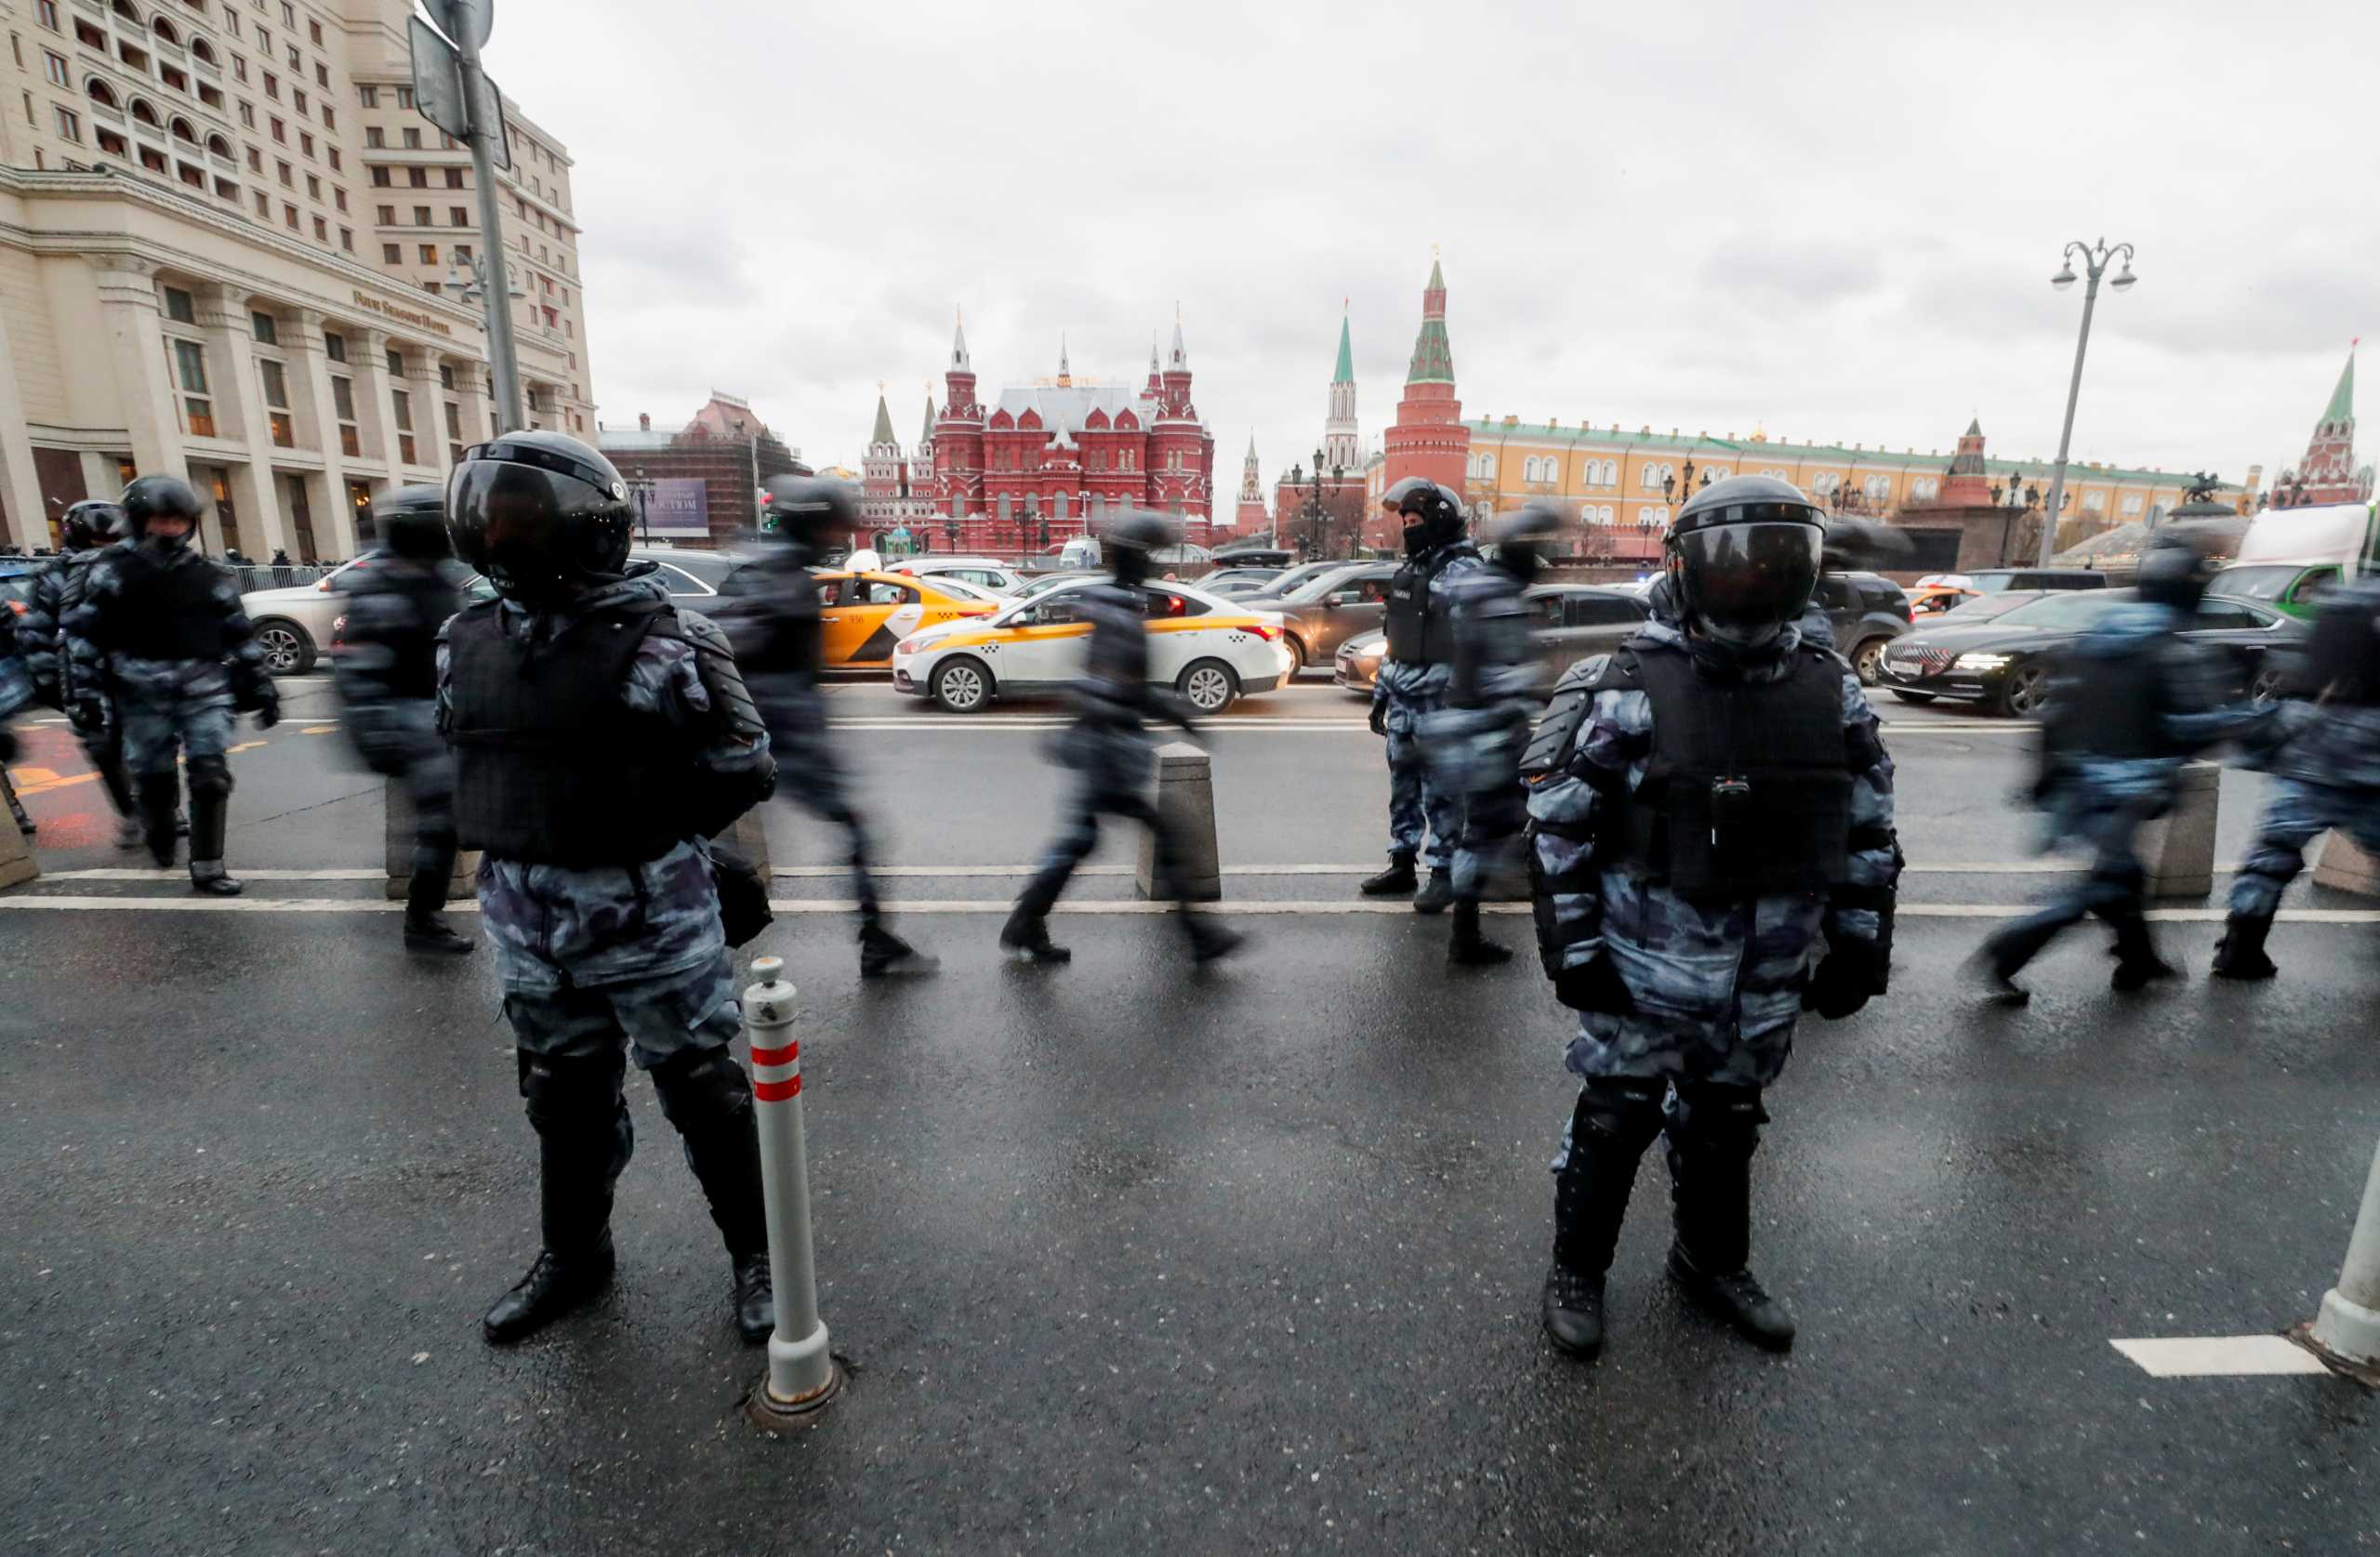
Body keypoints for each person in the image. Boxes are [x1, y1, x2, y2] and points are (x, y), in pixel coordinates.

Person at [1524, 474, 1900, 1359]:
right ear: (1688, 568)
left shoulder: (1830, 688)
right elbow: (1557, 826)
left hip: (1763, 973)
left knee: (1727, 1119)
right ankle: (1577, 1270)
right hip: (1645, 970)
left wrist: (1858, 945)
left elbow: (1869, 829)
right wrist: (1572, 950)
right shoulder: (1621, 683)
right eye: (1738, 563)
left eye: (1779, 561)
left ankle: (1710, 1259)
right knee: (1615, 1116)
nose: (1758, 581)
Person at [439, 431, 779, 1346]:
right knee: (563, 1096)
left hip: (650, 920)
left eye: (519, 518)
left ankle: (760, 1259)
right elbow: (465, 748)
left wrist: (645, 836)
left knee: (703, 1089)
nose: (500, 536)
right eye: (488, 516)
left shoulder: (671, 635)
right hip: (527, 927)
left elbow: (743, 766)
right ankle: (575, 1254)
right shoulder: (464, 635)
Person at [1977, 534, 2268, 1000]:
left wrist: (2043, 775)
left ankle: (2138, 961)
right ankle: (2007, 951)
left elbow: (2055, 712)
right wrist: (2249, 720)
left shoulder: (2099, 636)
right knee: (2100, 885)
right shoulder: (2171, 649)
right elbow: (2190, 726)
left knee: (2122, 875)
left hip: (2075, 777)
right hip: (2126, 785)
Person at [1000, 509, 1242, 967]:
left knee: (1081, 839)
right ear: (1132, 558)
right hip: (1106, 745)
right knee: (1151, 835)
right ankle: (1200, 936)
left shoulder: (1113, 603)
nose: (1152, 564)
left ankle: (1025, 921)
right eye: (1147, 555)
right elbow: (1119, 686)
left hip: (1100, 742)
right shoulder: (1118, 612)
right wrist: (1175, 713)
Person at [723, 476, 935, 978]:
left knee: (714, 842)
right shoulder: (783, 581)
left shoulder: (768, 570)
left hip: (767, 738)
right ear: (812, 524)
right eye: (833, 526)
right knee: (853, 831)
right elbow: (754, 667)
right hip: (781, 741)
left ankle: (874, 938)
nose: (839, 536)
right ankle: (874, 940)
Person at [62, 477, 276, 892]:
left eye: (179, 521)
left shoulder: (208, 574)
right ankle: (158, 828)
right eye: (162, 520)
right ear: (142, 521)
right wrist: (85, 694)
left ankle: (208, 865)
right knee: (156, 783)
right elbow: (84, 635)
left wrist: (261, 682)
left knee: (211, 777)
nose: (171, 529)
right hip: (140, 693)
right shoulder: (112, 570)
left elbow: (236, 630)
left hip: (204, 690)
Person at [1421, 501, 1567, 965]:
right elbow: (1504, 679)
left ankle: (1466, 928)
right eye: (1538, 549)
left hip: (1464, 727)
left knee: (1477, 833)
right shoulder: (1501, 599)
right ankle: (1469, 931)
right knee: (1502, 828)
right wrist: (1538, 701)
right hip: (1490, 736)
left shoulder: (1474, 589)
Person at [2214, 571, 2380, 978]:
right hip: (2370, 754)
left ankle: (2240, 947)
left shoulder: (2338, 604)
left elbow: (2294, 666)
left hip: (2310, 743)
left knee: (2273, 851)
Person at [331, 485, 471, 955]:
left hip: (437, 714)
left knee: (447, 821)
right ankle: (423, 920)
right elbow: (358, 668)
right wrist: (378, 733)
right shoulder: (380, 585)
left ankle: (425, 917)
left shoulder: (438, 577)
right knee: (442, 820)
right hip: (408, 718)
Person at [1362, 479, 1484, 912]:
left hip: (1440, 703)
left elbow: (1475, 646)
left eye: (1417, 521)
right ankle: (1402, 860)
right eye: (1406, 521)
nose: (1409, 528)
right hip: (1403, 701)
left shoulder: (1464, 573)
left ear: (1440, 521)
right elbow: (1396, 640)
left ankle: (1444, 871)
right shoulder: (1411, 569)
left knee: (1442, 794)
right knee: (1404, 787)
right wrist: (1381, 694)